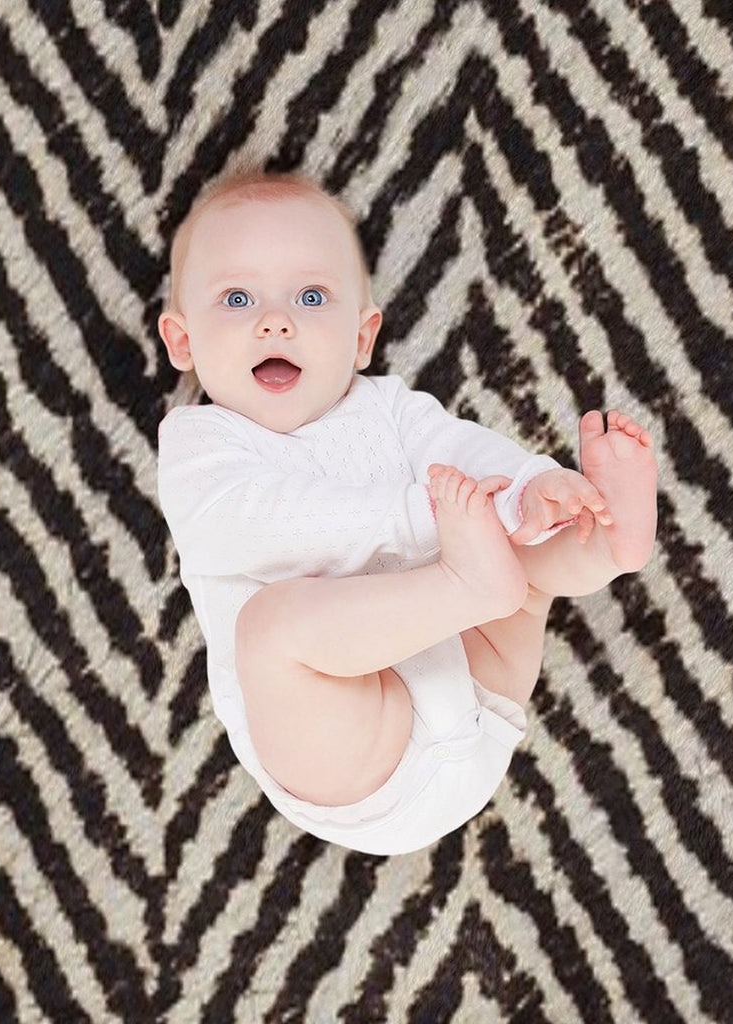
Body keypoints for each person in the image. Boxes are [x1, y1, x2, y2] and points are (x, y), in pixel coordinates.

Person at [157, 170, 658, 855]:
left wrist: (529, 486)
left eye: (311, 296)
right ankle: (473, 582)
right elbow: (252, 524)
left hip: (480, 691)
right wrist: (422, 516)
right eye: (237, 298)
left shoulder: (388, 408)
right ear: (182, 342)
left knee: (523, 557)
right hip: (360, 759)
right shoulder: (201, 445)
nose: (276, 321)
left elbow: (461, 450)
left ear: (361, 338)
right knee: (271, 629)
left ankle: (603, 542)